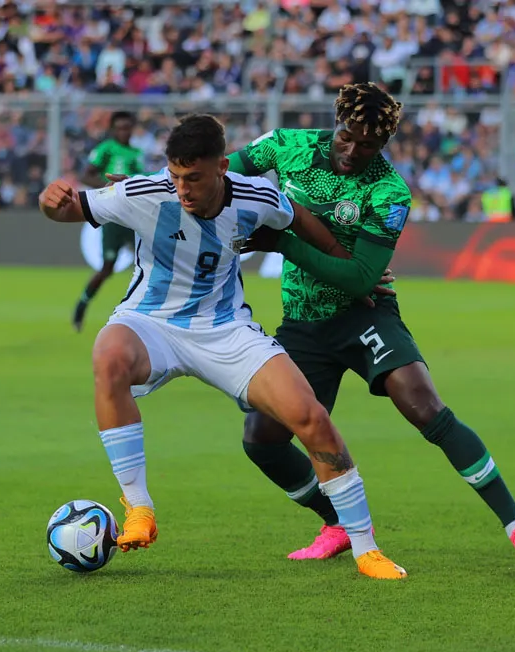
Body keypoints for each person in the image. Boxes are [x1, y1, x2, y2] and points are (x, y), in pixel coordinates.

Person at [38, 113, 408, 580]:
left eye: (194, 178)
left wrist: (354, 269)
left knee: (311, 417)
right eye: (175, 176)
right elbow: (70, 209)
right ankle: (138, 506)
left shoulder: (258, 196)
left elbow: (302, 222)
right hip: (150, 322)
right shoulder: (145, 193)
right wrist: (50, 202)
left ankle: (365, 548)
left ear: (222, 168)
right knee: (108, 355)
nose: (182, 189)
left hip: (225, 329)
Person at [231, 82, 515, 566]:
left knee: (423, 403)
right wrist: (142, 186)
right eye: (347, 136)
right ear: (337, 122)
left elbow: (362, 278)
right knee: (261, 440)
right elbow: (218, 173)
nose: (353, 150)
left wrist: (281, 242)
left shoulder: (389, 191)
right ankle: (337, 523)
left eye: (368, 145)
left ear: (384, 144)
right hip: (303, 323)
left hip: (363, 316)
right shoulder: (287, 145)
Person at [72, 111, 147, 333]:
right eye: (120, 127)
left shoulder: (137, 153)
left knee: (148, 263)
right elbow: (86, 175)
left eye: (127, 127)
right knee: (106, 268)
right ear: (113, 129)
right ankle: (82, 305)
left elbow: (142, 180)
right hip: (114, 217)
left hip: (134, 217)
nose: (124, 131)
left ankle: (142, 315)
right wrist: (109, 187)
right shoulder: (106, 149)